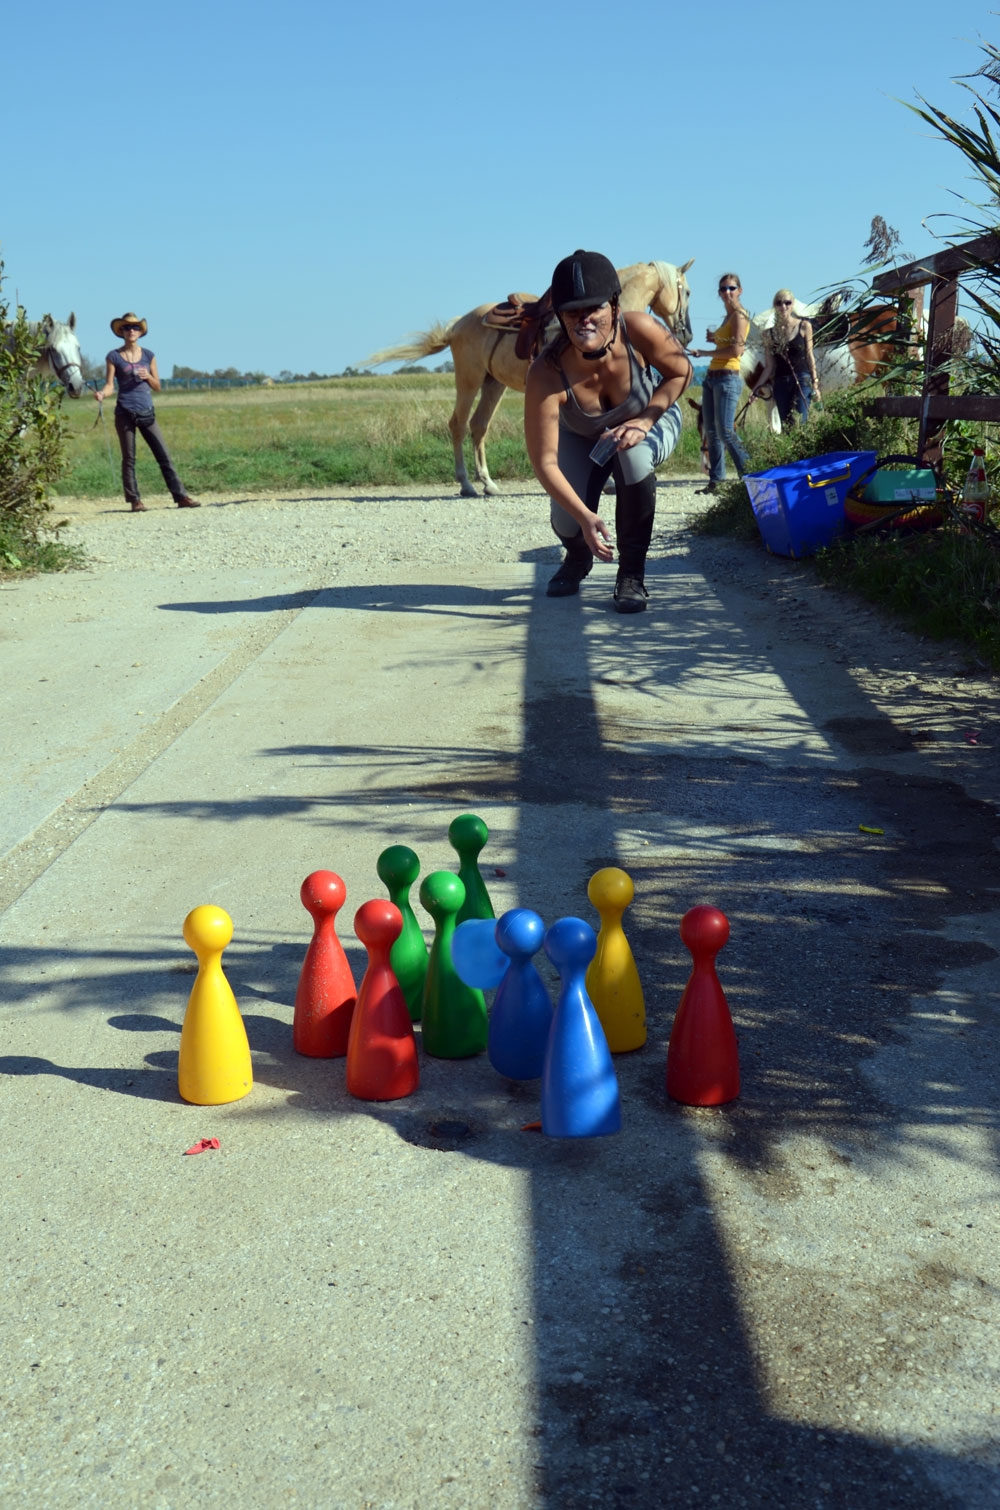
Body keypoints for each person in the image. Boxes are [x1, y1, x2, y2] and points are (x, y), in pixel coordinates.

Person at [524, 250, 692, 614]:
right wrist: (585, 519)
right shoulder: (546, 371)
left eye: (594, 309)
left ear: (614, 306)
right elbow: (545, 462)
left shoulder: (639, 329)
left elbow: (681, 372)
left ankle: (631, 574)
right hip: (581, 437)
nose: (584, 320)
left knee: (631, 454)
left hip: (651, 417)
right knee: (567, 520)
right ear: (560, 316)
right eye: (572, 312)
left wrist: (646, 419)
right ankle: (577, 557)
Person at [93, 313, 199, 513]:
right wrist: (102, 394)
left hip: (147, 412)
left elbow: (157, 386)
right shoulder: (113, 356)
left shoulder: (149, 355)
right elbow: (110, 386)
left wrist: (148, 376)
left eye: (134, 327)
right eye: (126, 328)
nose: (131, 331)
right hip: (124, 412)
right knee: (129, 458)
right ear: (121, 332)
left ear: (141, 332)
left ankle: (181, 496)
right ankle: (135, 501)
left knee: (163, 455)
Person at [689, 273, 750, 495]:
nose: (727, 292)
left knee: (725, 431)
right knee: (713, 431)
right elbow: (729, 344)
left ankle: (750, 475)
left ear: (740, 290)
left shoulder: (740, 316)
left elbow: (737, 351)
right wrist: (716, 339)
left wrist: (704, 351)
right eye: (723, 289)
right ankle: (717, 481)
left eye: (731, 288)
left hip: (727, 377)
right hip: (713, 377)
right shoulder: (727, 317)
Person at [752, 289, 821, 426]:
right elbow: (769, 366)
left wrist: (815, 383)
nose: (783, 307)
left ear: (793, 304)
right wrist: (756, 388)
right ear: (774, 306)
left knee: (801, 422)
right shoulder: (768, 334)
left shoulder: (804, 326)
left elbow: (809, 355)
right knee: (787, 425)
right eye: (779, 303)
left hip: (802, 379)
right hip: (781, 382)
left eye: (787, 303)